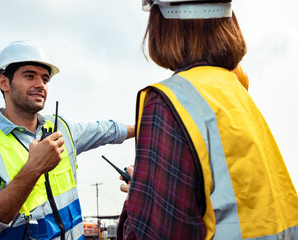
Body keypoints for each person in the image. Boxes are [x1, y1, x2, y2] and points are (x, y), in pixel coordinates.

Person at [117, 0, 298, 239]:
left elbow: (155, 233)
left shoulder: (168, 101)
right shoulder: (234, 90)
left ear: (164, 18)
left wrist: (141, 195)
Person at [0, 40, 135, 240]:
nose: (40, 85)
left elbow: (105, 130)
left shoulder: (61, 127)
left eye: (45, 79)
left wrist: (144, 128)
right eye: (29, 76)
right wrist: (34, 168)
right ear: (4, 82)